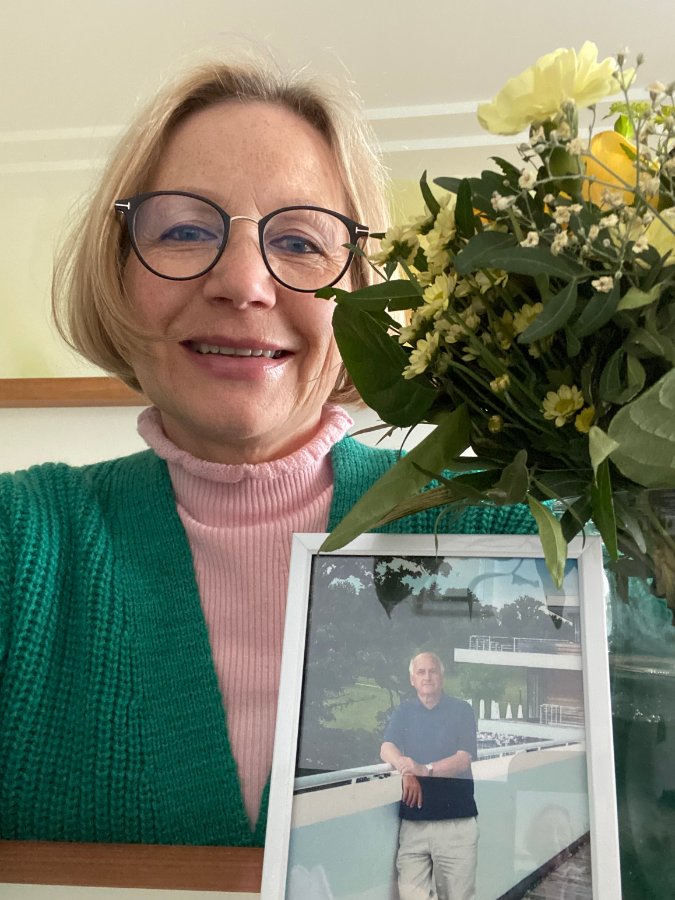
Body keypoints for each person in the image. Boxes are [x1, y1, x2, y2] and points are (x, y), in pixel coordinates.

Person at [0, 60, 535, 847]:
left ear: (363, 290)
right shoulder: (18, 543)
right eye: (184, 231)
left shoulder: (507, 528)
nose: (243, 283)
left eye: (297, 241)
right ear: (117, 272)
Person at [381, 652, 478, 900]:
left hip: (455, 825)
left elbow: (463, 759)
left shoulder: (461, 710)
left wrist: (425, 770)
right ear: (412, 679)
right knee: (411, 895)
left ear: (442, 677)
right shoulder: (404, 711)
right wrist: (405, 769)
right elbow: (386, 747)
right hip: (414, 825)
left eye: (432, 671)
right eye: (421, 672)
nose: (427, 677)